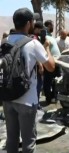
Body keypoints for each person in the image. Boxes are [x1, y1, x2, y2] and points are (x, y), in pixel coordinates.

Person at [2, 8, 55, 153]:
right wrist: (47, 49)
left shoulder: (5, 42)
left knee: (11, 140)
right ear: (28, 23)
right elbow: (51, 67)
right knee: (28, 143)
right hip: (27, 100)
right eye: (32, 21)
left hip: (7, 98)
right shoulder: (33, 43)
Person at [43, 20, 61, 104]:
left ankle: (54, 96)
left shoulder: (51, 37)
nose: (53, 27)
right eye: (52, 25)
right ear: (48, 26)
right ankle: (49, 98)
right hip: (49, 62)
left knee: (56, 81)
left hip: (57, 62)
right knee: (48, 81)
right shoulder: (44, 37)